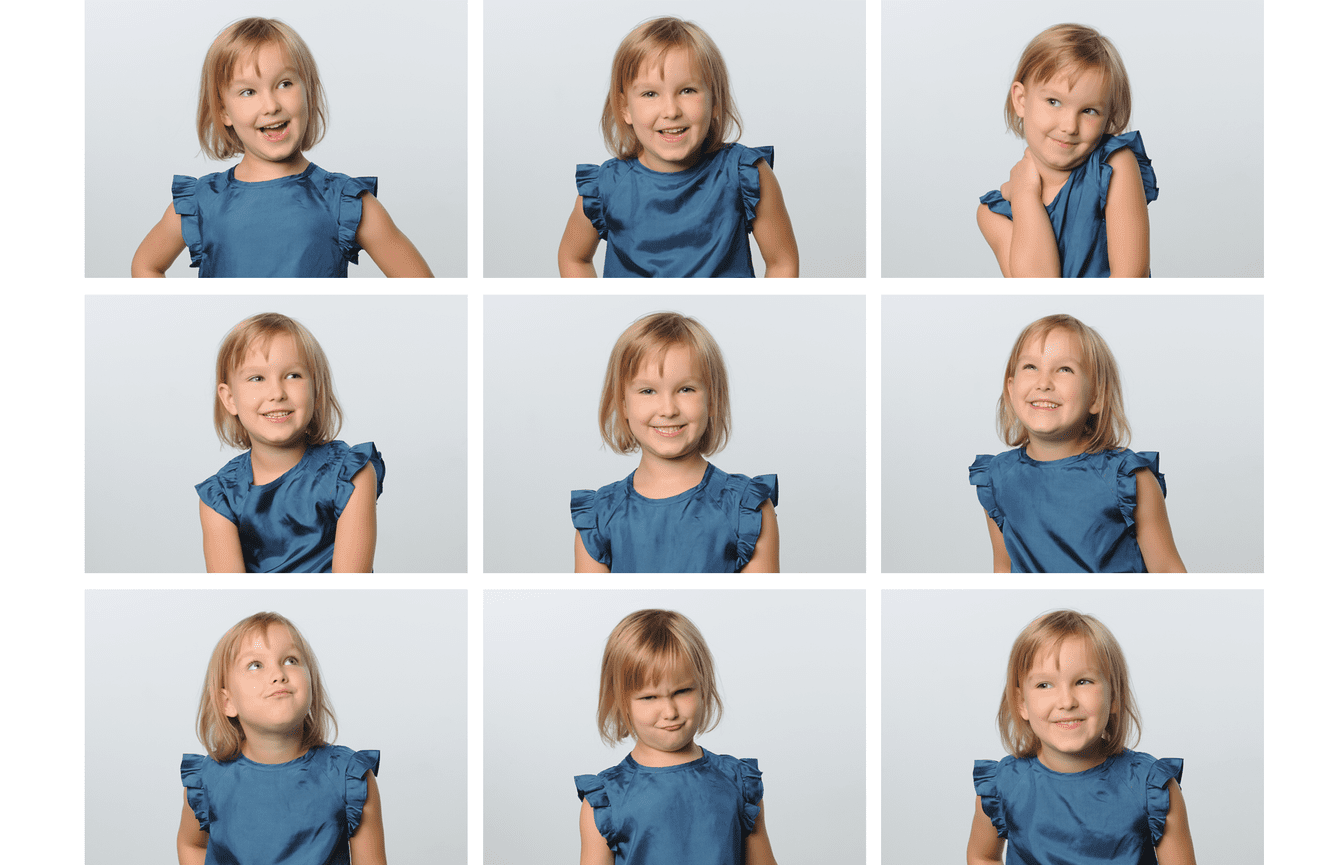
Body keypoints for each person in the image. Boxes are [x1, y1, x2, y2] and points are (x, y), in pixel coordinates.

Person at [133, 17, 431, 277]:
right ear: (224, 112)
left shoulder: (345, 202)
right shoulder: (201, 202)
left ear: (308, 92)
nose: (271, 105)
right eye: (248, 92)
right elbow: (146, 265)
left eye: (285, 84)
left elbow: (420, 285)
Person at [558, 17, 797, 277]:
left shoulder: (745, 174)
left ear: (715, 101)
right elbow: (573, 257)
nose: (671, 111)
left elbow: (781, 262)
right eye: (650, 94)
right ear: (625, 107)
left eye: (687, 90)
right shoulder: (606, 187)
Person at [968, 610, 1197, 865]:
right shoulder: (1003, 785)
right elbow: (981, 856)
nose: (1066, 702)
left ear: (1114, 696)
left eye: (1083, 681)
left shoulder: (1151, 787)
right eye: (1045, 685)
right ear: (1021, 703)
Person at [970, 314, 1184, 572]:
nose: (1043, 383)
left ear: (1096, 396)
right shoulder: (997, 479)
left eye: (1064, 369)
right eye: (1031, 367)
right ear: (1011, 389)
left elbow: (1169, 573)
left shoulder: (1127, 480)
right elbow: (1003, 569)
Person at [571, 312, 778, 572]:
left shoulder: (746, 508)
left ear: (713, 400)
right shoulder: (599, 516)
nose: (668, 410)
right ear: (622, 404)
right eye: (648, 391)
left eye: (686, 389)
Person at [179, 612, 386, 865]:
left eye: (290, 660)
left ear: (311, 683)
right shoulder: (207, 781)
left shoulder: (350, 778)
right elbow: (191, 844)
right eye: (255, 665)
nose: (278, 674)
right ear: (227, 702)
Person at [576, 609, 778, 865]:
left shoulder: (740, 784)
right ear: (620, 701)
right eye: (649, 697)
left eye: (682, 691)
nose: (670, 712)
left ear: (703, 687)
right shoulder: (605, 801)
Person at [197, 313, 383, 572]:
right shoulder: (221, 497)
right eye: (257, 378)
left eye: (293, 375)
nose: (277, 394)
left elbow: (349, 586)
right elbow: (231, 589)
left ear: (316, 389)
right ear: (229, 399)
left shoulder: (349, 475)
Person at [976, 24, 1155, 277]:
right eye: (1054, 102)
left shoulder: (1114, 165)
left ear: (1108, 117)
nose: (1070, 126)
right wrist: (1025, 195)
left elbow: (1130, 281)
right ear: (1021, 100)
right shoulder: (995, 214)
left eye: (1089, 111)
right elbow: (1039, 288)